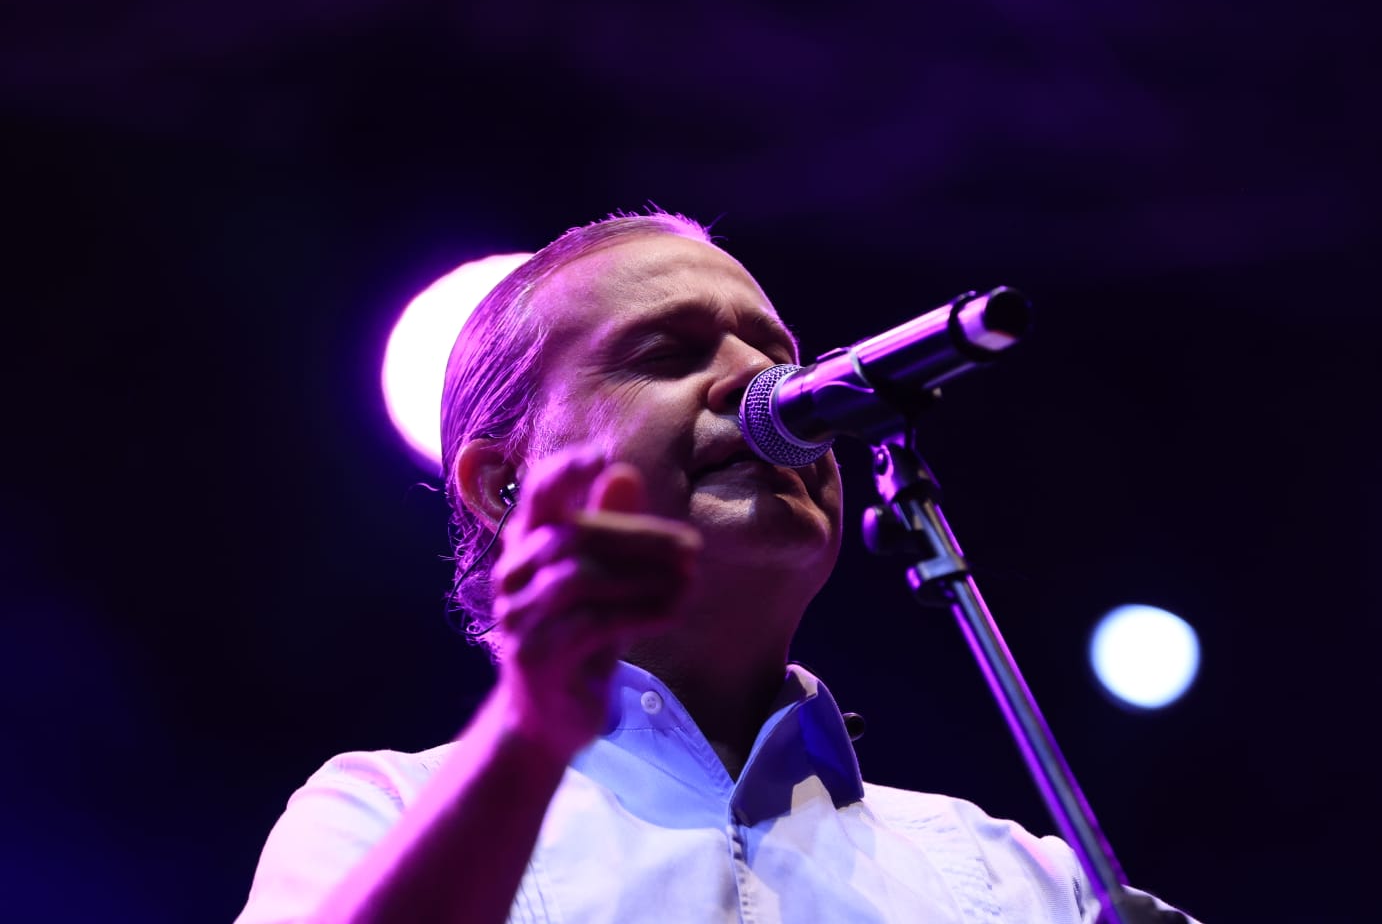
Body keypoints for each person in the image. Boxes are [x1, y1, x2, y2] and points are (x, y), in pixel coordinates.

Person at [235, 210, 1197, 923]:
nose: (760, 384)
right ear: (502, 483)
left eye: (777, 354)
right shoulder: (379, 814)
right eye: (666, 355)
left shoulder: (1023, 884)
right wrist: (531, 734)